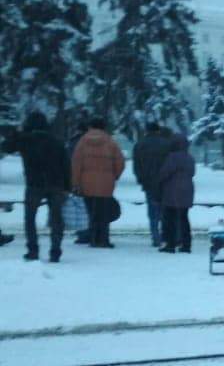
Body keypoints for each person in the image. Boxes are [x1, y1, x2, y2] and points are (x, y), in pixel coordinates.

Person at [1, 111, 70, 262]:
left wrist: (17, 132)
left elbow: (5, 147)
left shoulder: (25, 140)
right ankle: (56, 251)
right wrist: (67, 187)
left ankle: (33, 250)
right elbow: (66, 165)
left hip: (34, 184)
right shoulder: (56, 141)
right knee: (57, 219)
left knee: (30, 219)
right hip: (56, 184)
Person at [71, 116, 124, 249]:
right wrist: (114, 176)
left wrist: (76, 182)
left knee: (91, 212)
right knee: (104, 213)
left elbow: (76, 163)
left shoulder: (82, 141)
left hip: (86, 183)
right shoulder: (111, 142)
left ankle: (93, 238)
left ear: (90, 127)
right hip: (106, 183)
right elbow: (120, 162)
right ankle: (104, 240)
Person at [132, 122, 171, 247]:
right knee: (165, 210)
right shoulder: (167, 144)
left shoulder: (140, 145)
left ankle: (155, 237)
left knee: (152, 211)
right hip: (165, 182)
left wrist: (140, 179)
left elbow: (136, 165)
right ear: (158, 131)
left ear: (147, 131)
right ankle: (166, 235)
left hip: (148, 182)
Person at [156, 133, 195, 253]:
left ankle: (170, 244)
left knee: (170, 219)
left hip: (172, 191)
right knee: (184, 218)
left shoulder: (172, 157)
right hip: (187, 190)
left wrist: (159, 180)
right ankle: (186, 244)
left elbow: (164, 173)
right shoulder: (190, 158)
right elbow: (192, 173)